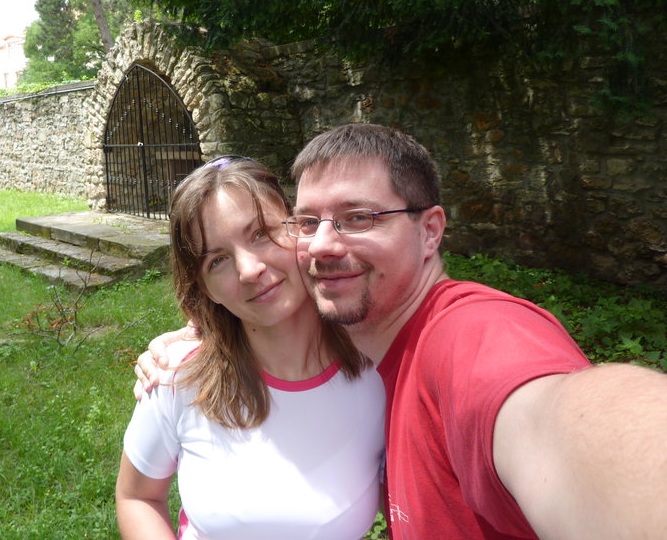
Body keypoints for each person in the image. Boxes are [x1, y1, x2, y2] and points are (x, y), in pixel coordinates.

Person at [135, 123, 667, 539]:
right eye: (309, 222)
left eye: (359, 217)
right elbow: (138, 495)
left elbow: (551, 417)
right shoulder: (369, 350)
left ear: (430, 230)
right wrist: (198, 337)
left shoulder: (466, 336)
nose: (323, 244)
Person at [115, 155, 385, 540]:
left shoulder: (381, 370)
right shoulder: (175, 376)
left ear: (300, 228)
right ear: (205, 287)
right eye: (217, 260)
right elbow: (137, 497)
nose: (249, 270)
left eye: (260, 233)